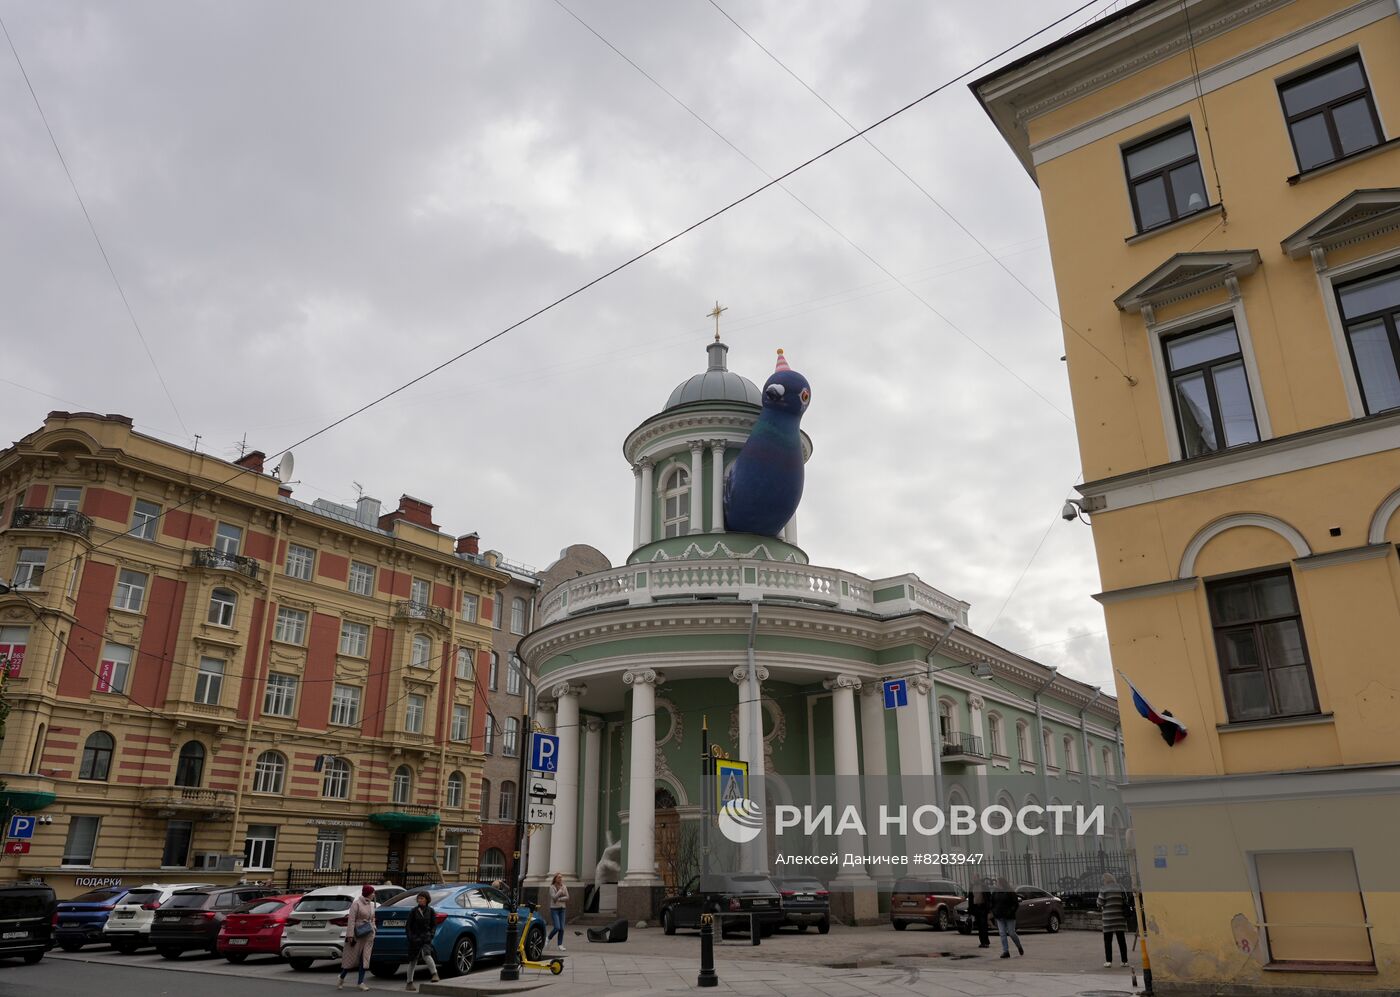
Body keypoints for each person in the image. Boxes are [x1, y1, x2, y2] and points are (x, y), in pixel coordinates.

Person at [338, 884, 377, 991]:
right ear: (368, 893)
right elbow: (351, 920)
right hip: (357, 934)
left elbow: (373, 918)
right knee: (351, 958)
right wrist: (350, 935)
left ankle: (360, 982)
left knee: (364, 958)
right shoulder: (356, 904)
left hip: (368, 934)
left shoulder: (372, 905)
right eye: (372, 893)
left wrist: (374, 928)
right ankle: (341, 977)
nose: (374, 895)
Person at [404, 891, 440, 992]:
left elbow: (434, 925)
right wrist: (411, 938)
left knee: (427, 955)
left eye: (422, 898)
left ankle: (434, 974)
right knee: (413, 960)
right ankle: (409, 983)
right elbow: (408, 926)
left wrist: (431, 935)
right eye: (419, 898)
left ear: (427, 900)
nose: (420, 900)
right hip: (415, 939)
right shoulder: (413, 911)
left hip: (426, 938)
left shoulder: (431, 911)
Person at [1098, 872, 1130, 967]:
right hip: (1120, 918)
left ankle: (1109, 961)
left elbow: (1099, 903)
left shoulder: (1104, 889)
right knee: (1121, 940)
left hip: (1108, 919)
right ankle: (1124, 961)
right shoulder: (1120, 887)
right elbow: (1126, 900)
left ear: (1105, 880)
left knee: (1108, 941)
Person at [990, 877, 1023, 959]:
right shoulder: (995, 892)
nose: (996, 884)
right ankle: (1006, 951)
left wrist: (1010, 911)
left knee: (1011, 933)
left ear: (1002, 883)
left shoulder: (1010, 892)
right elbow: (991, 902)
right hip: (999, 916)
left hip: (1009, 916)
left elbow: (1015, 904)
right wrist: (994, 911)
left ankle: (1019, 946)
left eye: (997, 882)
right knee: (1002, 934)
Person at [547, 872, 569, 951]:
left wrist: (559, 899)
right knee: (557, 927)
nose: (560, 879)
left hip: (562, 909)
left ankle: (560, 945)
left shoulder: (564, 886)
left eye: (561, 877)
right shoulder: (552, 887)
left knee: (562, 928)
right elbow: (553, 898)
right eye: (559, 877)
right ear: (555, 879)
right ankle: (548, 938)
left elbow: (567, 897)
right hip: (554, 909)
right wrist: (560, 892)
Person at [969, 878, 991, 949]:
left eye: (975, 877)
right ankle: (982, 942)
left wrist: (988, 908)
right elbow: (970, 898)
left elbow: (988, 897)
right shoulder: (972, 887)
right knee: (979, 926)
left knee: (983, 925)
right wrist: (971, 909)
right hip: (976, 908)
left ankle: (986, 942)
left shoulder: (984, 886)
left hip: (983, 907)